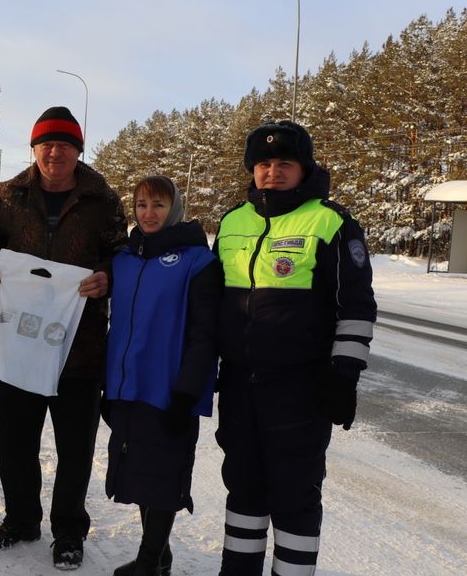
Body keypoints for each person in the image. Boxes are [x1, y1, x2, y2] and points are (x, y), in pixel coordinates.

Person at [213, 121, 376, 575]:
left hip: (299, 388)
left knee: (295, 493)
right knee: (243, 487)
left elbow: (357, 306)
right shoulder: (232, 221)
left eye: (284, 163)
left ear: (304, 169)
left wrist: (344, 376)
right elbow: (210, 303)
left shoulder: (331, 222)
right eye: (264, 164)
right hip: (240, 384)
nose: (273, 172)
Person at [0, 106, 128, 571]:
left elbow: (122, 253)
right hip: (19, 342)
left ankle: (68, 532)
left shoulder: (102, 199)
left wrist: (106, 276)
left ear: (78, 150)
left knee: (74, 448)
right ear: (34, 149)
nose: (54, 151)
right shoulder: (6, 196)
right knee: (14, 441)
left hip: (77, 346)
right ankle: (21, 520)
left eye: (64, 144)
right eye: (46, 143)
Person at [104, 176, 222, 576]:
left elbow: (206, 333)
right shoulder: (124, 258)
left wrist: (188, 390)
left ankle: (149, 561)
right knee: (139, 474)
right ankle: (160, 554)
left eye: (157, 205)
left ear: (174, 208)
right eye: (140, 205)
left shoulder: (197, 261)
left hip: (170, 391)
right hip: (127, 387)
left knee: (164, 477)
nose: (148, 213)